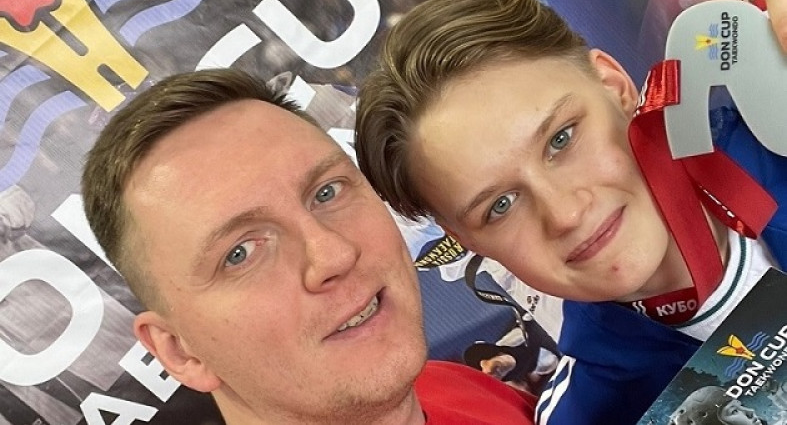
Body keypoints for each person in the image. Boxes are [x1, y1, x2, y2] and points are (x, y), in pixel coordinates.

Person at [353, 0, 787, 424]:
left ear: (615, 87)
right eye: (500, 206)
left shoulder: (777, 134)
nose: (566, 213)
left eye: (561, 139)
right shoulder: (590, 415)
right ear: (468, 241)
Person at [80, 68, 538, 424]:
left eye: (326, 192)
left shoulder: (461, 389)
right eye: (240, 253)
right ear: (182, 351)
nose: (333, 254)